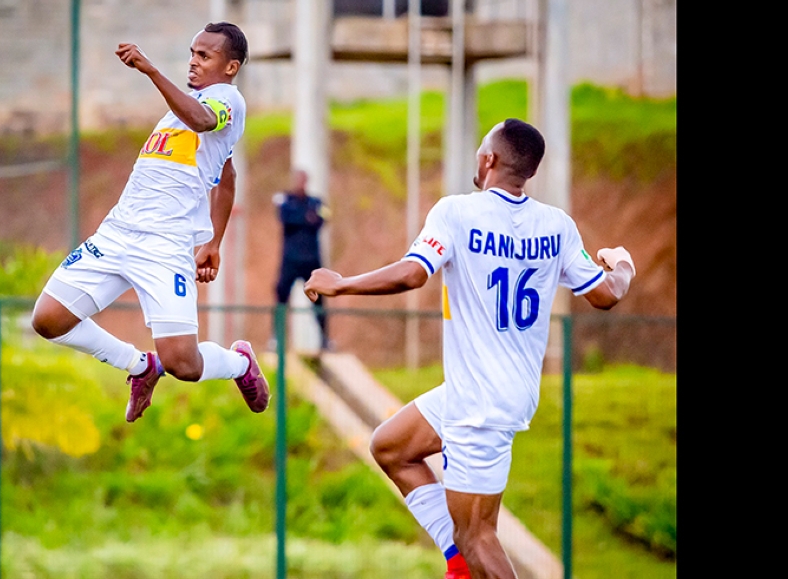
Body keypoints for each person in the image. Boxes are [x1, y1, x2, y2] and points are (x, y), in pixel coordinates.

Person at [304, 119, 635, 579]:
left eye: (481, 148)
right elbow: (606, 293)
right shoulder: (556, 226)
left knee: (478, 535)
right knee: (391, 447)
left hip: (480, 404)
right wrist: (623, 265)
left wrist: (342, 284)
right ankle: (458, 563)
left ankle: (463, 556)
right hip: (481, 390)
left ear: (489, 159)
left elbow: (412, 273)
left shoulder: (457, 213)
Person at [31, 22, 270, 424]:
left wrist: (151, 70)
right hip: (117, 233)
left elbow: (200, 120)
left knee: (185, 365)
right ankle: (140, 366)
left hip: (164, 245)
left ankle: (238, 363)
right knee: (48, 320)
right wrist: (213, 241)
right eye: (192, 53)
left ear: (230, 67)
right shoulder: (184, 105)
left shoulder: (227, 100)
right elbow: (226, 175)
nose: (193, 62)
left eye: (204, 56)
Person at [271, 169, 331, 350]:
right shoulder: (285, 200)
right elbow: (286, 217)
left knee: (319, 300)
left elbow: (323, 218)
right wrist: (306, 218)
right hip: (289, 260)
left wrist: (303, 217)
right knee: (281, 297)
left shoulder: (316, 201)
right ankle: (276, 339)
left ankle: (325, 340)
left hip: (311, 260)